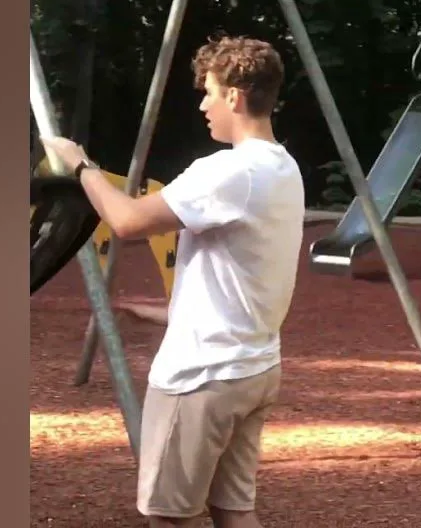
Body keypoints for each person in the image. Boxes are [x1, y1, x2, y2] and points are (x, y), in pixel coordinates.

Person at [42, 35, 305, 528]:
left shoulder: (230, 171)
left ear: (234, 96)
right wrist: (167, 313)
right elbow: (245, 276)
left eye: (209, 92)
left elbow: (127, 221)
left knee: (169, 517)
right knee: (234, 511)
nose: (204, 106)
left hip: (202, 376)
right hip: (253, 368)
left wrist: (81, 165)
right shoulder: (284, 167)